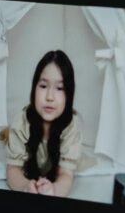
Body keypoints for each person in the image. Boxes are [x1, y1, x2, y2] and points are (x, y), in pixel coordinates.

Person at [5, 50, 82, 196]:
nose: (49, 97)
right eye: (43, 86)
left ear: (69, 94)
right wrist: (25, 186)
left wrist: (54, 190)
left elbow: (66, 174)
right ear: (34, 88)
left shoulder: (71, 125)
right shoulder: (22, 121)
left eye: (59, 88)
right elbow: (12, 169)